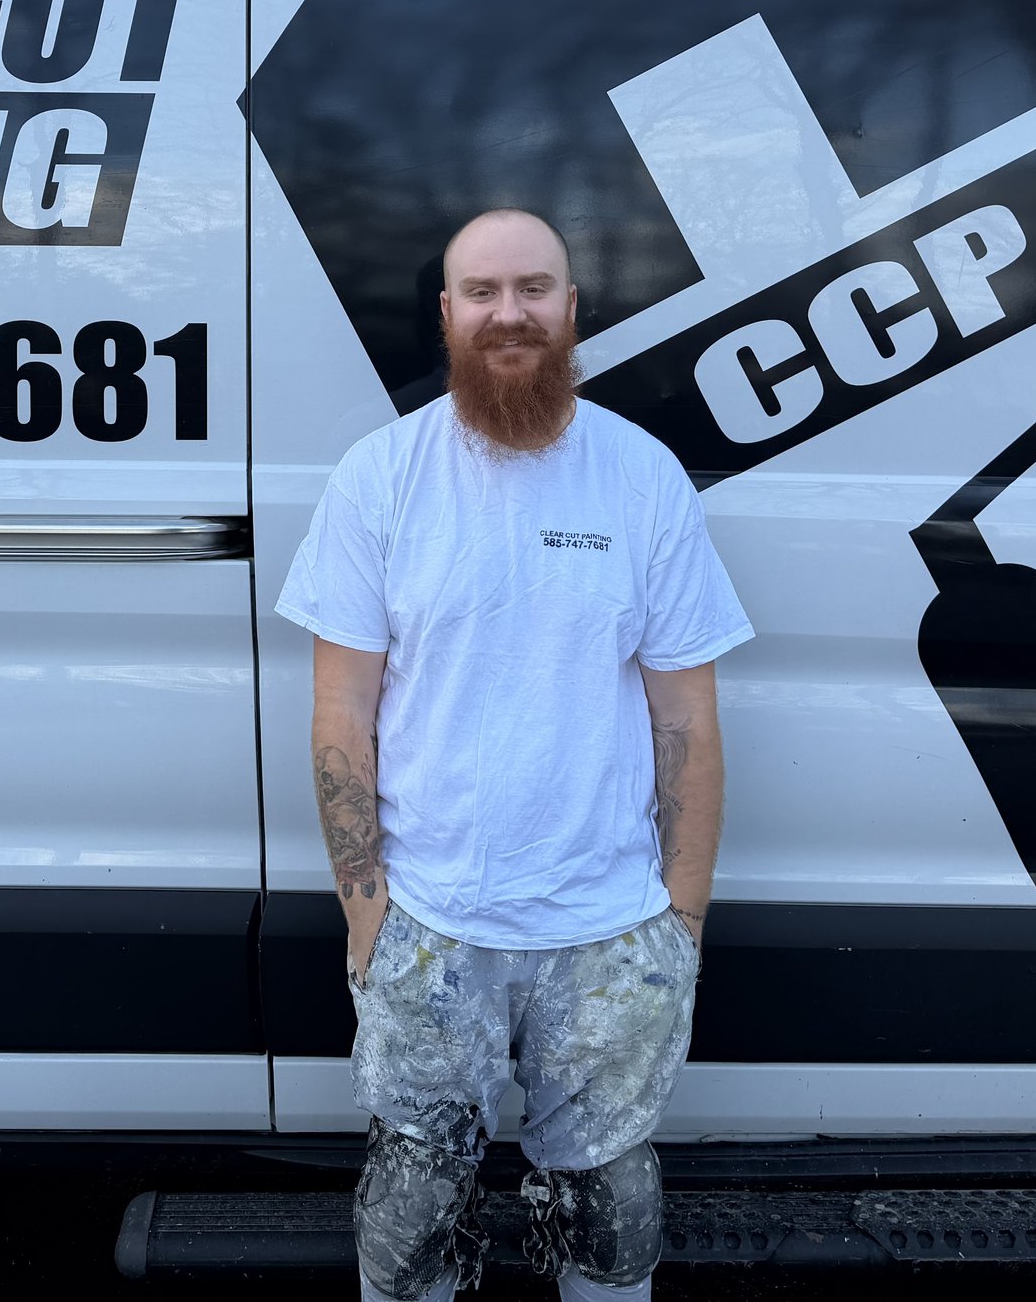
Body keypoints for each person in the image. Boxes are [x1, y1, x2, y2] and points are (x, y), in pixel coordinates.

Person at [276, 208, 753, 1302]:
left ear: (571, 309)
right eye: (482, 293)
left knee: (605, 1229)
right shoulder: (382, 478)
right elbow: (341, 711)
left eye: (533, 290)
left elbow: (687, 719)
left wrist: (676, 926)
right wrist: (367, 913)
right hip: (431, 929)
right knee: (412, 1231)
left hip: (609, 934)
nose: (509, 315)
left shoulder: (638, 478)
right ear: (445, 316)